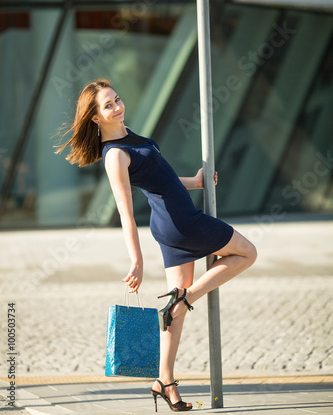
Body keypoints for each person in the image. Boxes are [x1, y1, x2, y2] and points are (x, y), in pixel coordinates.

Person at [55, 78, 257, 412]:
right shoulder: (115, 156)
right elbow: (126, 214)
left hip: (174, 223)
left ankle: (165, 381)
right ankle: (185, 299)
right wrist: (136, 261)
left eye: (117, 99)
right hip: (181, 224)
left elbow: (160, 177)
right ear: (95, 118)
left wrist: (194, 182)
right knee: (247, 252)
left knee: (172, 316)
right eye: (108, 106)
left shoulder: (127, 132)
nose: (118, 107)